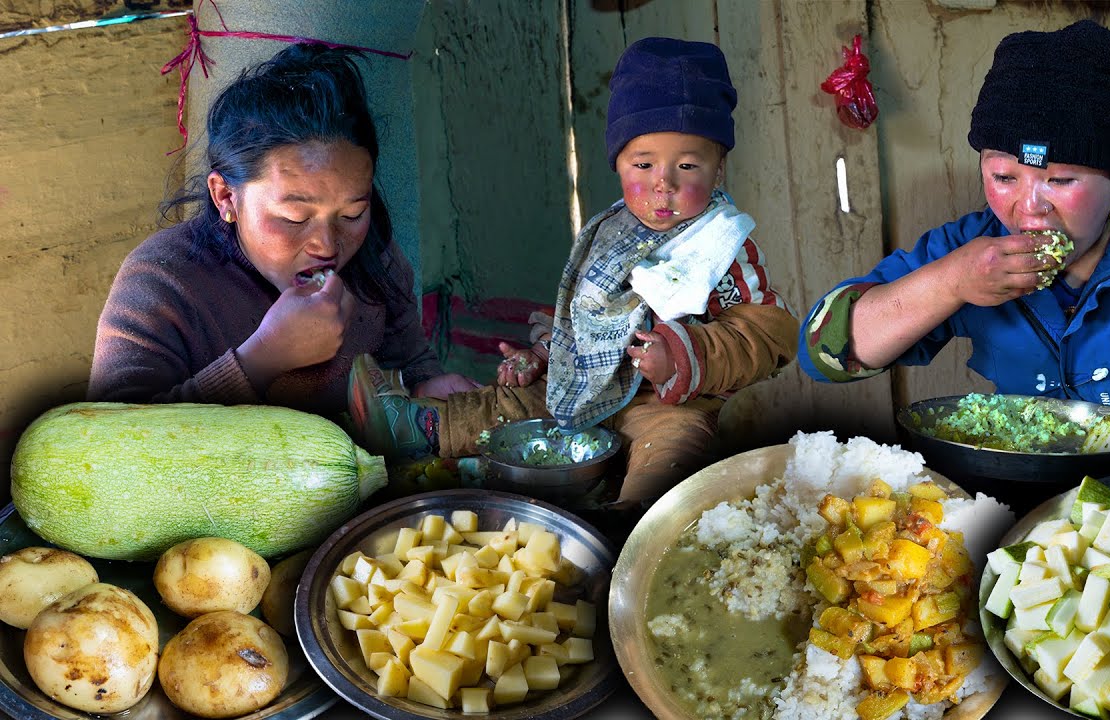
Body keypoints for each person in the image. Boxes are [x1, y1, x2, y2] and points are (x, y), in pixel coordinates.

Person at [799, 19, 1110, 481]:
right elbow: (822, 354)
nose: (1029, 208)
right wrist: (949, 282)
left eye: (1061, 180)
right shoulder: (966, 249)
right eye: (1004, 177)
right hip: (1030, 484)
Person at [350, 37, 799, 503]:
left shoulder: (720, 245)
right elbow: (584, 317)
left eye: (687, 166)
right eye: (642, 164)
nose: (662, 184)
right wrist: (545, 354)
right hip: (588, 382)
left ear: (718, 170)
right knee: (509, 408)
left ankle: (627, 530)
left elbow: (769, 336)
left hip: (666, 403)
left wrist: (681, 354)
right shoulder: (610, 234)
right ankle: (416, 428)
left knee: (671, 459)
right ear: (618, 164)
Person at [88, 43, 478, 418]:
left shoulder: (376, 260)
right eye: (294, 218)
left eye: (352, 214)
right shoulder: (162, 284)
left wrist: (426, 391)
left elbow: (408, 362)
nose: (327, 245)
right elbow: (115, 447)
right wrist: (262, 359)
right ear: (225, 197)